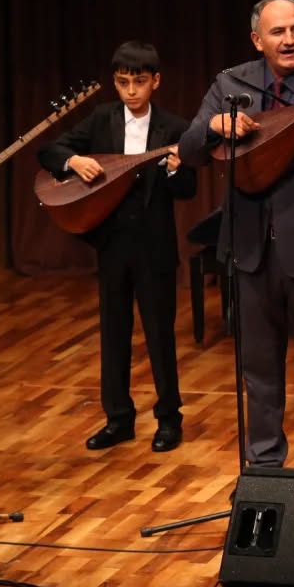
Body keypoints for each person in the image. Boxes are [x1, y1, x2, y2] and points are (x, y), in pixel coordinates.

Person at [177, 0, 294, 471]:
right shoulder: (230, 84)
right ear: (256, 40)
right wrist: (215, 126)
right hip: (250, 250)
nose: (289, 40)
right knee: (259, 371)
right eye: (278, 32)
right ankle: (264, 469)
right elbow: (190, 150)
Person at [37, 41, 197, 453]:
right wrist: (74, 162)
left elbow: (189, 188)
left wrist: (176, 170)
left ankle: (169, 419)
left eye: (139, 82)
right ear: (114, 82)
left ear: (155, 81)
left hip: (154, 247)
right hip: (112, 244)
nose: (131, 91)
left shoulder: (175, 128)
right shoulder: (102, 119)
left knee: (159, 335)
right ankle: (118, 418)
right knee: (114, 333)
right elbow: (50, 150)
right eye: (123, 82)